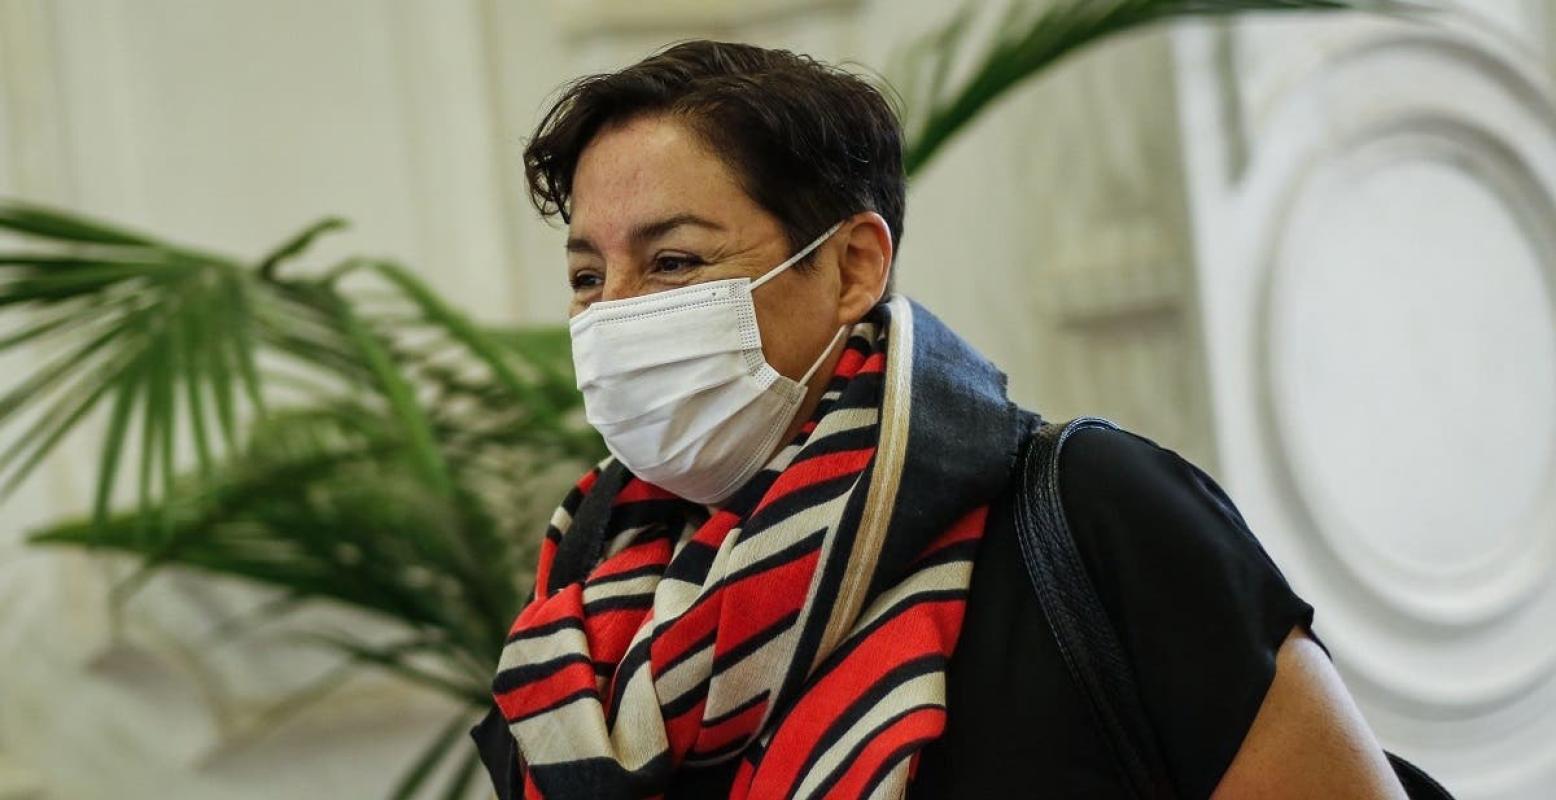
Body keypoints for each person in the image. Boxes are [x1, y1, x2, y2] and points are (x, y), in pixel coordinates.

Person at [469, 39, 1408, 799]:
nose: (614, 314)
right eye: (587, 275)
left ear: (851, 268)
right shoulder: (588, 601)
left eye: (673, 262)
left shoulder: (1092, 516)